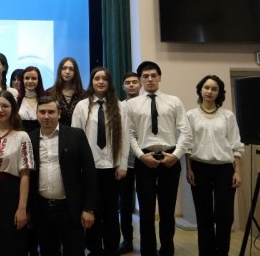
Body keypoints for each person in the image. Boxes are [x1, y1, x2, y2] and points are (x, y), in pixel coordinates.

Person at [124, 61, 192, 256]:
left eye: (153, 75)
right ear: (140, 80)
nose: (150, 79)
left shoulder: (174, 101)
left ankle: (167, 249)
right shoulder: (131, 104)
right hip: (144, 160)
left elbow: (185, 131)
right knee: (146, 211)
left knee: (167, 210)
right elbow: (129, 134)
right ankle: (148, 251)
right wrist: (140, 156)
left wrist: (176, 156)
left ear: (160, 77)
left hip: (170, 159)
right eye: (145, 76)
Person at [28, 96, 97, 256]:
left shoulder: (76, 135)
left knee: (75, 251)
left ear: (59, 113)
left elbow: (89, 174)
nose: (46, 116)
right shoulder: (29, 138)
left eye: (51, 112)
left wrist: (89, 209)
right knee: (47, 251)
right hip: (42, 210)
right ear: (37, 114)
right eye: (42, 112)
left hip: (70, 209)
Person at [72, 67, 129, 256]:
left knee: (111, 211)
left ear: (109, 82)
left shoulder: (119, 106)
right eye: (97, 78)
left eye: (105, 78)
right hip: (89, 169)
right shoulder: (82, 106)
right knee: (92, 210)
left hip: (112, 168)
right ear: (92, 82)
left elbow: (126, 137)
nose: (101, 81)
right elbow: (75, 138)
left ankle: (112, 248)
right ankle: (94, 249)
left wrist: (122, 165)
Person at [185, 75, 243, 256]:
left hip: (224, 169)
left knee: (224, 216)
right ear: (200, 90)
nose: (209, 91)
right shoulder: (191, 115)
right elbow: (187, 145)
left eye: (214, 89)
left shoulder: (228, 116)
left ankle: (222, 252)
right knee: (203, 216)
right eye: (206, 87)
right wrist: (189, 169)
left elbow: (235, 145)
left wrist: (237, 171)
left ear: (219, 93)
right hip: (199, 168)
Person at [0, 91, 34, 256]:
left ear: (13, 109)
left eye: (5, 106)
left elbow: (25, 174)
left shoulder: (22, 136)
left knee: (10, 241)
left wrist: (22, 208)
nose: (0, 110)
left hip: (12, 195)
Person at [119, 72, 141, 255]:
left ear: (140, 84)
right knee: (125, 204)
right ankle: (127, 240)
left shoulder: (148, 104)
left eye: (135, 82)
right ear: (123, 86)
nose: (132, 85)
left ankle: (148, 242)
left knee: (147, 204)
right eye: (128, 82)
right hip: (126, 161)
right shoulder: (119, 106)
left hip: (146, 161)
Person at [46, 57, 85, 126]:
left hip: (78, 131)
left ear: (75, 72)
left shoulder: (83, 95)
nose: (67, 72)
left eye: (71, 69)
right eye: (64, 68)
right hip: (56, 131)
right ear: (60, 71)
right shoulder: (49, 93)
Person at [17, 66, 46, 133]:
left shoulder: (45, 100)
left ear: (39, 80)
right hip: (21, 137)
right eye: (27, 78)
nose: (30, 81)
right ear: (22, 80)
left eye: (33, 78)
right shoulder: (17, 101)